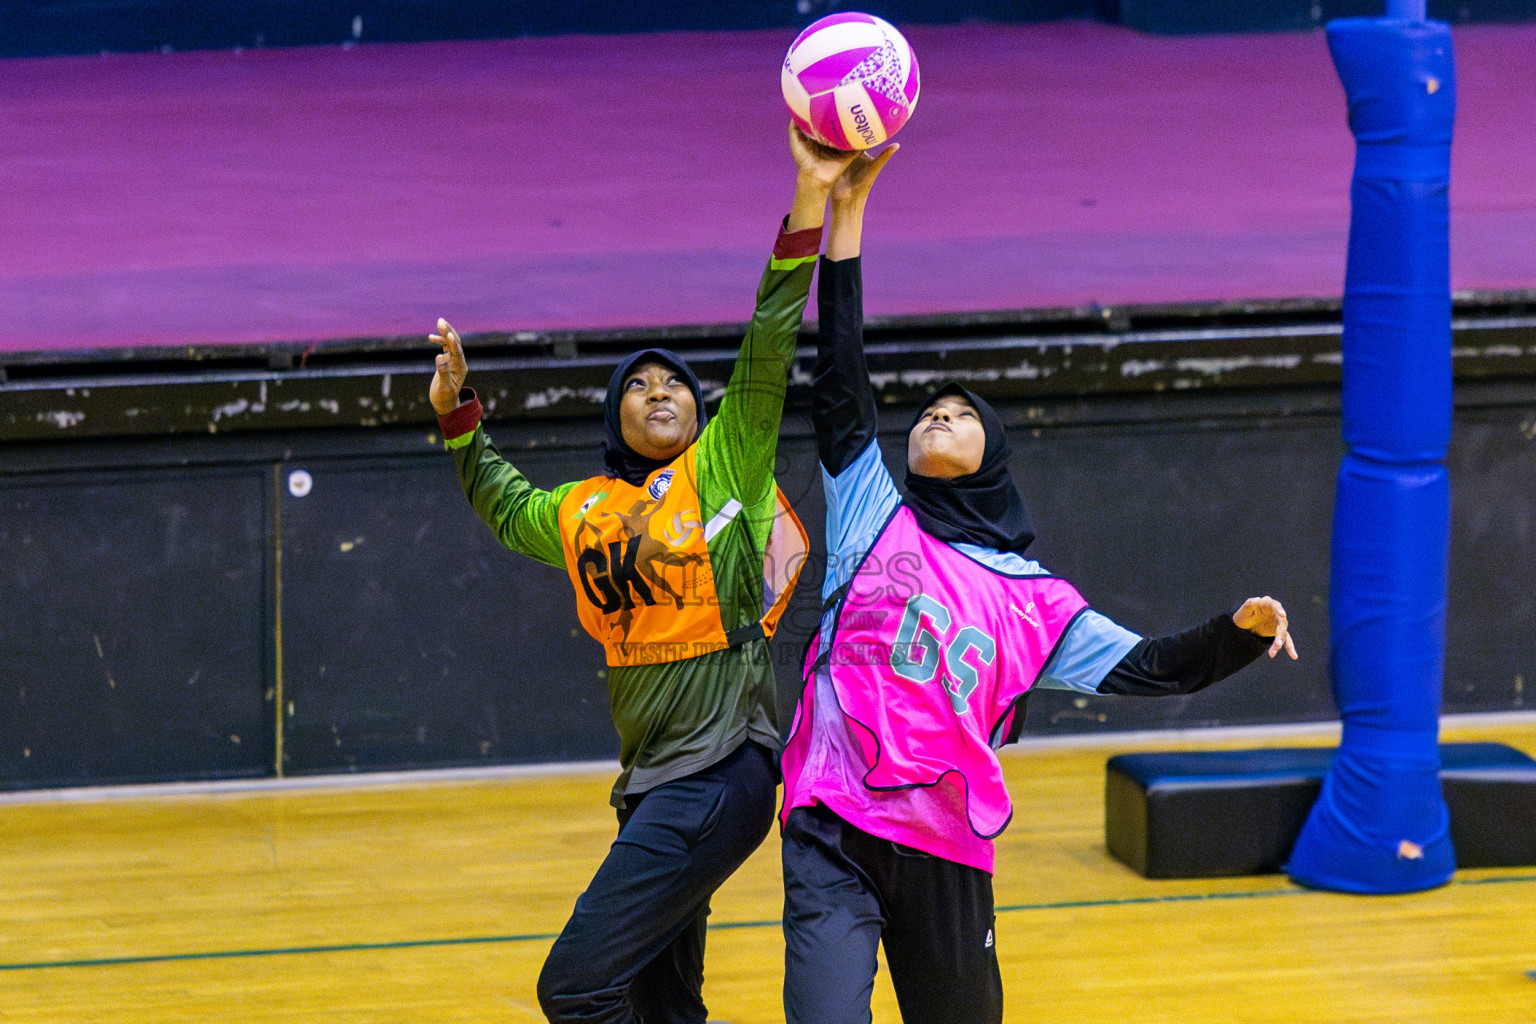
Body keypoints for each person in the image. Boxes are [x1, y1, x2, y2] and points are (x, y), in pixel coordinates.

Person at [779, 144, 1300, 1024]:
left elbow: (1152, 669)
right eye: (927, 413)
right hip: (832, 817)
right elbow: (841, 382)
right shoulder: (872, 513)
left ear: (996, 459)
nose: (938, 416)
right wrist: (847, 216)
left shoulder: (1036, 602)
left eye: (961, 415)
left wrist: (1237, 634)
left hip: (947, 845)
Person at [429, 126, 859, 1024]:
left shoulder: (722, 468)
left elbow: (769, 339)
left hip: (720, 773)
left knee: (577, 987)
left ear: (703, 414)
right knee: (664, 1006)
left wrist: (810, 199)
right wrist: (458, 414)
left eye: (676, 383)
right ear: (614, 415)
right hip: (653, 783)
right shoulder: (583, 509)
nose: (661, 390)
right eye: (639, 384)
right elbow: (506, 503)